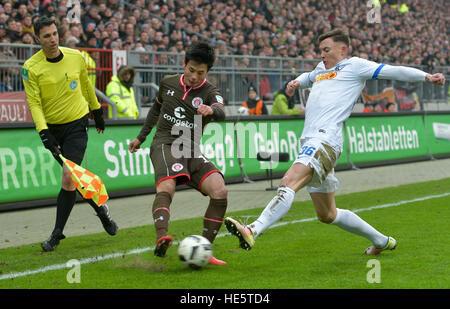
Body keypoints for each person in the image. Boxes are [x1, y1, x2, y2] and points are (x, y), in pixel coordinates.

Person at [225, 28, 446, 256]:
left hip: (325, 139)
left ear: (342, 49)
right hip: (312, 140)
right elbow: (308, 76)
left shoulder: (356, 66)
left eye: (326, 50)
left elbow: (393, 71)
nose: (322, 55)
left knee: (289, 180)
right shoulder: (322, 69)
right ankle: (381, 241)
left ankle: (252, 229)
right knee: (327, 215)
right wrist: (295, 83)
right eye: (320, 50)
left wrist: (426, 77)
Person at [22, 17, 118, 252]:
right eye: (46, 36)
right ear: (38, 39)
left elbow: (86, 85)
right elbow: (34, 103)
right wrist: (44, 132)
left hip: (77, 124)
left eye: (54, 33)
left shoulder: (75, 57)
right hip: (53, 129)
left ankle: (56, 234)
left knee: (69, 176)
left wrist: (97, 111)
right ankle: (101, 210)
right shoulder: (30, 68)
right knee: (75, 180)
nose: (52, 39)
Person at [128, 41, 228, 265]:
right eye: (191, 70)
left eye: (200, 73)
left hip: (191, 148)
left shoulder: (211, 92)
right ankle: (161, 237)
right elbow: (155, 109)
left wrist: (212, 109)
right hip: (165, 144)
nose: (194, 76)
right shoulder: (168, 83)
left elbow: (222, 111)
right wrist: (141, 137)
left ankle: (205, 249)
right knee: (167, 185)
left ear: (207, 72)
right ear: (184, 64)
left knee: (219, 190)